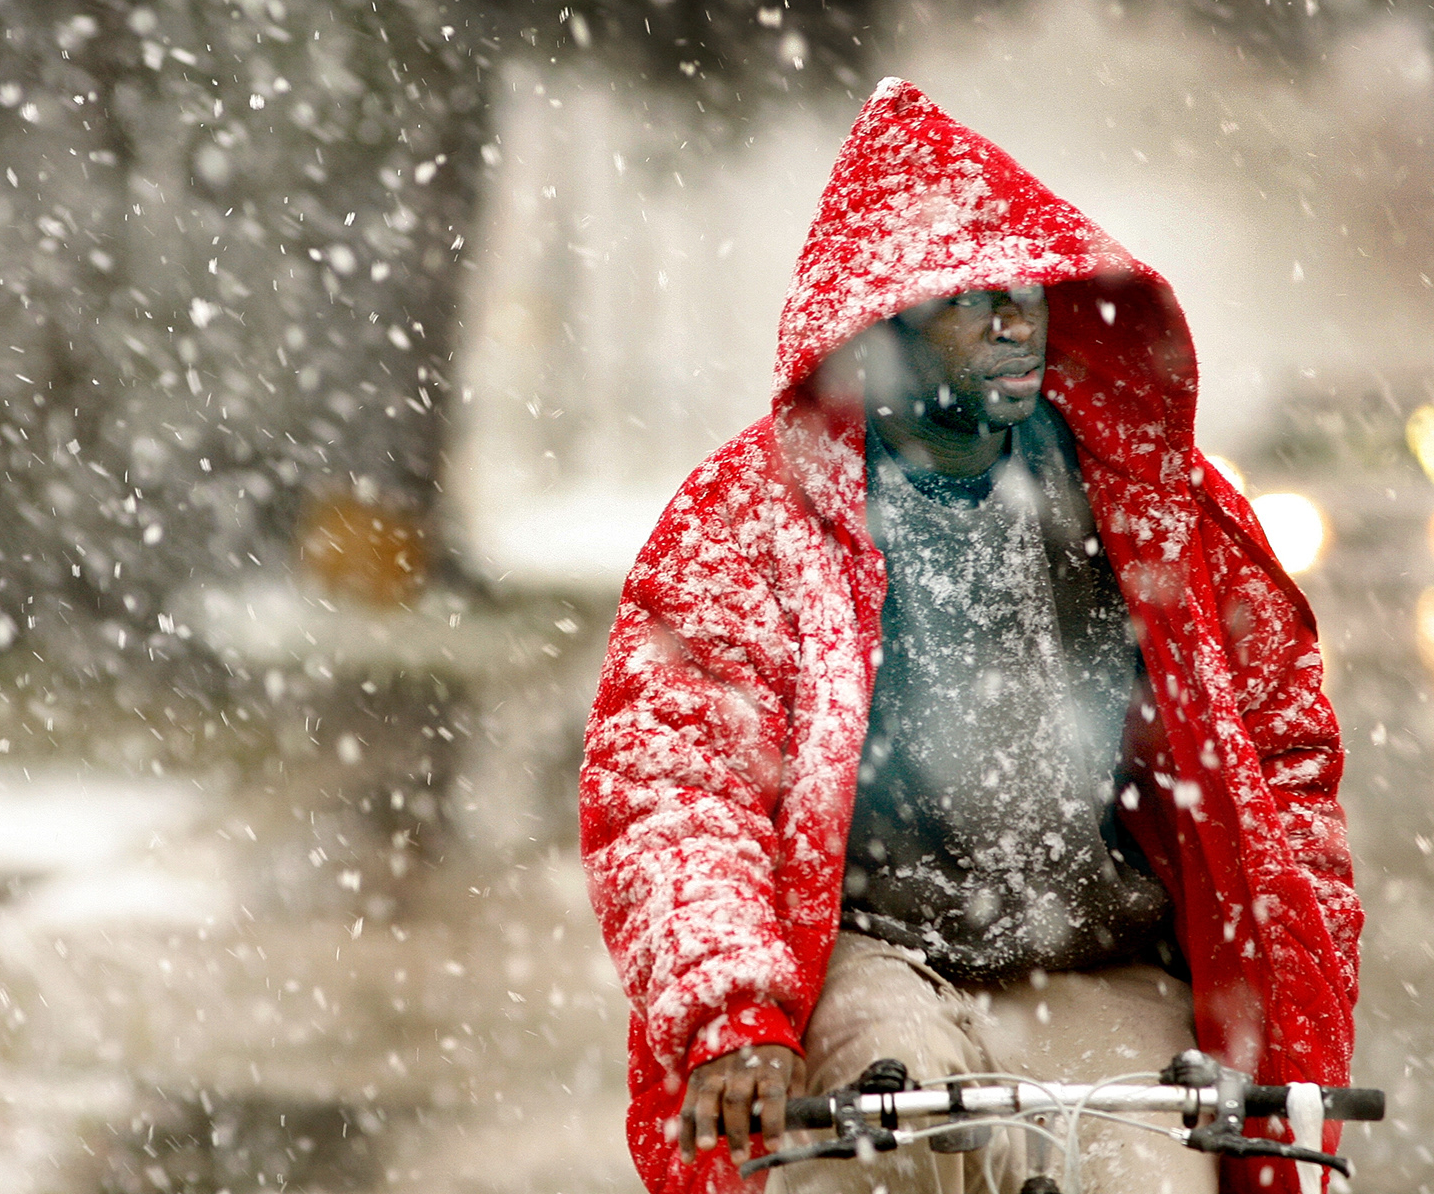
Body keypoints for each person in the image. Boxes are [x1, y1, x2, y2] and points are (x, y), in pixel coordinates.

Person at [579, 80, 1359, 1194]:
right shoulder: (753, 519)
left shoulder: (1154, 508)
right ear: (883, 324)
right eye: (972, 298)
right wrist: (732, 1010)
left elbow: (1283, 751)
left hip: (1104, 967)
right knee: (884, 1152)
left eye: (1027, 291)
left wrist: (1291, 980)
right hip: (873, 957)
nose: (1015, 321)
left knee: (1153, 1179)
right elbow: (674, 778)